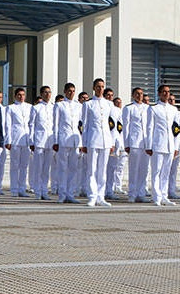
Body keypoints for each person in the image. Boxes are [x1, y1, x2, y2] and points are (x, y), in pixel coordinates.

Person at [80, 78, 114, 207]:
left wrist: (111, 143)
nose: (100, 89)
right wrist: (84, 143)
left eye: (102, 86)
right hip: (93, 139)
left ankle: (101, 196)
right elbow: (85, 125)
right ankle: (92, 196)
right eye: (98, 87)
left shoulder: (109, 104)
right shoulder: (88, 104)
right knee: (92, 170)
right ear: (94, 88)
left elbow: (111, 125)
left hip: (105, 140)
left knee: (102, 170)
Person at [145, 84, 179, 206]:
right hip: (158, 143)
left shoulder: (173, 109)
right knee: (156, 171)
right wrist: (148, 145)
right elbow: (149, 128)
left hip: (170, 144)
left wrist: (176, 146)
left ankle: (164, 195)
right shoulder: (153, 108)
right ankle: (157, 197)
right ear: (159, 94)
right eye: (164, 92)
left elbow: (176, 130)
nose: (166, 94)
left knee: (166, 172)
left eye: (168, 92)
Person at [53, 82, 81, 203]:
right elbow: (55, 125)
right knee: (62, 168)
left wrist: (81, 142)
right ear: (65, 92)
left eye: (73, 91)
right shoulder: (59, 105)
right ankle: (62, 194)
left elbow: (81, 125)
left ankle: (71, 193)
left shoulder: (78, 106)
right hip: (63, 139)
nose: (71, 93)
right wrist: (55, 141)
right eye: (69, 91)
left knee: (73, 168)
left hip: (75, 140)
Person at [122, 87, 149, 202]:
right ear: (133, 95)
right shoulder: (129, 108)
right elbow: (126, 127)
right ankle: (132, 194)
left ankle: (141, 193)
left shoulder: (148, 108)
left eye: (141, 94)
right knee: (134, 169)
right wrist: (127, 143)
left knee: (144, 169)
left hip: (145, 142)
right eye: (137, 94)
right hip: (134, 142)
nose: (139, 96)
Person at [5, 87, 32, 197]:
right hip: (15, 138)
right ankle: (14, 189)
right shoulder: (10, 108)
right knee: (15, 165)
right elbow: (8, 125)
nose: (21, 97)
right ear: (15, 96)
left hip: (26, 139)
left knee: (24, 165)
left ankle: (22, 188)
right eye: (19, 95)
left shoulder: (29, 107)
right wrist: (8, 140)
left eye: (23, 95)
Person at [29, 86, 55, 199]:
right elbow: (31, 125)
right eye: (45, 92)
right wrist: (31, 141)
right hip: (39, 140)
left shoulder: (54, 107)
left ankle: (44, 190)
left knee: (46, 168)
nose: (48, 95)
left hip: (50, 140)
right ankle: (37, 191)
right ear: (41, 94)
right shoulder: (36, 108)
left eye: (49, 92)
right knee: (38, 167)